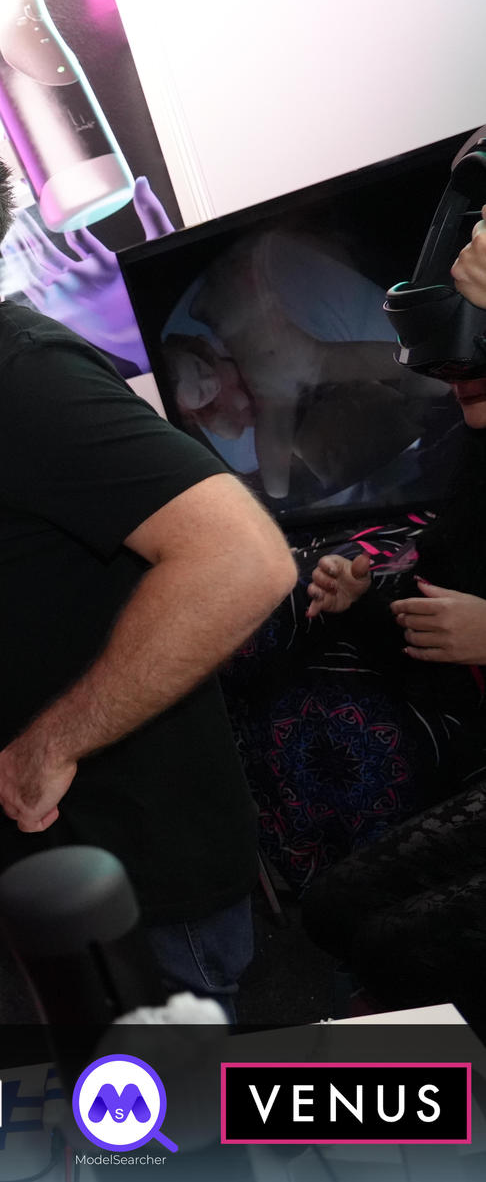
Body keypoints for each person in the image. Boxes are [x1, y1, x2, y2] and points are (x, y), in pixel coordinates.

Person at [0, 108, 296, 1013]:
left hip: (140, 890)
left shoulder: (24, 376)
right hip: (72, 879)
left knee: (171, 1108)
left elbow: (243, 555)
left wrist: (55, 741)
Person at [299, 219, 486, 1022]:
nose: (454, 378)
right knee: (334, 910)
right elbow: (436, 630)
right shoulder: (473, 460)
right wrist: (363, 601)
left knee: (394, 947)